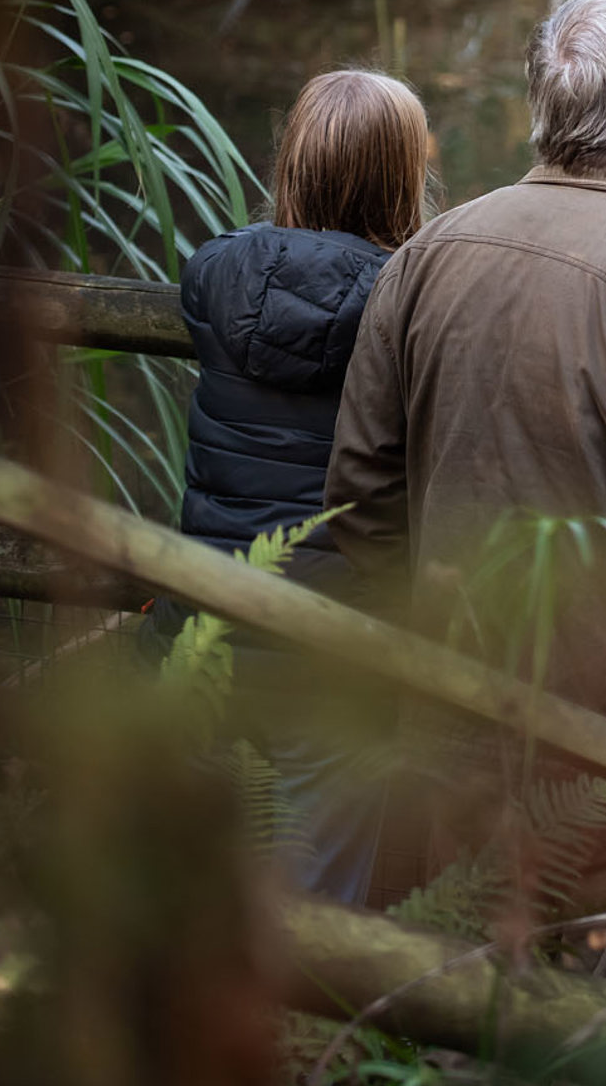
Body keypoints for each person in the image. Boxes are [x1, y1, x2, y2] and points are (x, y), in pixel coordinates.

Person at [324, 0, 606, 909]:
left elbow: (359, 490)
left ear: (540, 103)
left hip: (443, 710)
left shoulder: (425, 256)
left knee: (435, 995)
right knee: (588, 1022)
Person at [168, 67, 429, 905]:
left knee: (198, 875)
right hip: (332, 641)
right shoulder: (411, 296)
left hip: (204, 620)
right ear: (402, 176)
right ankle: (314, 1031)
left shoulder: (214, 275)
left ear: (292, 164)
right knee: (321, 899)